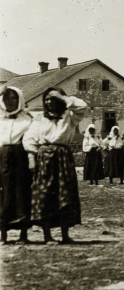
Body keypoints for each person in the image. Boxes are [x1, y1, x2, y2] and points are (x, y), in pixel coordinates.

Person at [23, 87, 87, 244]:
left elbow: (82, 106)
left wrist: (63, 97)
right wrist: (31, 157)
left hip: (63, 157)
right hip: (44, 157)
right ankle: (47, 236)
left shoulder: (69, 115)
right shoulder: (40, 118)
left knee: (64, 195)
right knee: (44, 194)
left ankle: (65, 235)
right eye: (46, 99)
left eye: (53, 98)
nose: (49, 102)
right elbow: (30, 137)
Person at [0, 86, 33, 244]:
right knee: (3, 193)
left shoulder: (27, 119)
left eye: (14, 97)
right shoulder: (0, 118)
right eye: (7, 98)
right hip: (2, 158)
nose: (10, 101)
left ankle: (23, 234)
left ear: (19, 99)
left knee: (21, 192)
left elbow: (31, 139)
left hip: (20, 158)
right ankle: (3, 235)